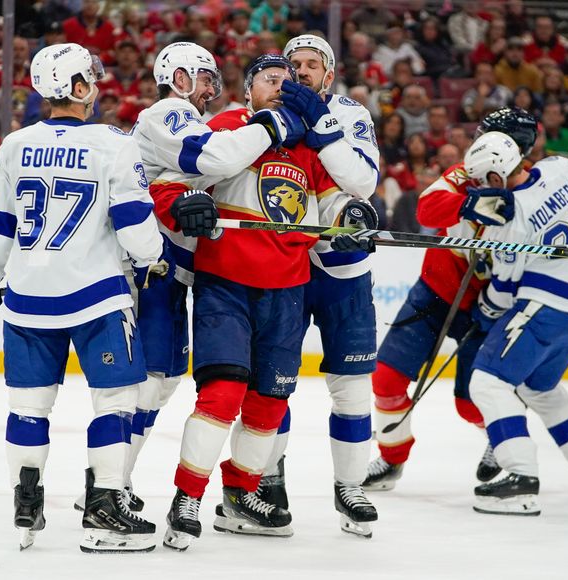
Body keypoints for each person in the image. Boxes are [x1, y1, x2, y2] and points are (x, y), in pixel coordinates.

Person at [0, 43, 163, 553]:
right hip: (97, 298)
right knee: (115, 402)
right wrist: (151, 260)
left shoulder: (14, 145)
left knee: (28, 407)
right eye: (88, 77)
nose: (95, 84)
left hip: (28, 300)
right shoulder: (113, 143)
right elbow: (137, 228)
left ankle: (26, 502)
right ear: (74, 86)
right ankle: (104, 510)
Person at [153, 54, 350, 550]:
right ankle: (187, 498)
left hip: (288, 289)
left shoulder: (308, 143)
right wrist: (181, 206)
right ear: (248, 91)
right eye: (270, 79)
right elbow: (167, 183)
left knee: (270, 402)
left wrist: (353, 215)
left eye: (289, 81)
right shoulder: (228, 127)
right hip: (227, 284)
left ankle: (239, 494)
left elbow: (332, 199)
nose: (282, 86)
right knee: (222, 394)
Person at [109, 42, 302, 513]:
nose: (211, 88)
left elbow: (183, 181)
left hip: (168, 270)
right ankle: (108, 484)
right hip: (147, 268)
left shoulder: (182, 118)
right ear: (177, 77)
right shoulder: (168, 111)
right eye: (203, 76)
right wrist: (272, 124)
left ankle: (115, 480)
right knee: (151, 379)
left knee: (163, 378)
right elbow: (211, 159)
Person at [243, 34, 382, 539]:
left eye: (310, 64)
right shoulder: (271, 115)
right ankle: (267, 478)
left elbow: (362, 182)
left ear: (330, 71)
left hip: (343, 269)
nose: (300, 72)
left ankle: (350, 485)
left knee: (351, 386)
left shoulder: (348, 113)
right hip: (285, 266)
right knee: (274, 384)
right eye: (293, 64)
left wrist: (321, 126)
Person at [363, 107, 539, 491]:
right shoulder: (471, 170)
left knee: (470, 403)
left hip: (490, 307)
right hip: (436, 291)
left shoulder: (536, 195)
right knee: (387, 379)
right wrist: (471, 204)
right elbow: (428, 206)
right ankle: (392, 459)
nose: (478, 140)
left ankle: (502, 438)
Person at [464, 130, 568, 515]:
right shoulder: (560, 168)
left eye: (481, 181)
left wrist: (483, 309)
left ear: (494, 177)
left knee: (487, 380)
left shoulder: (507, 219)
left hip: (547, 305)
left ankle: (521, 478)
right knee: (541, 389)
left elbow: (504, 294)